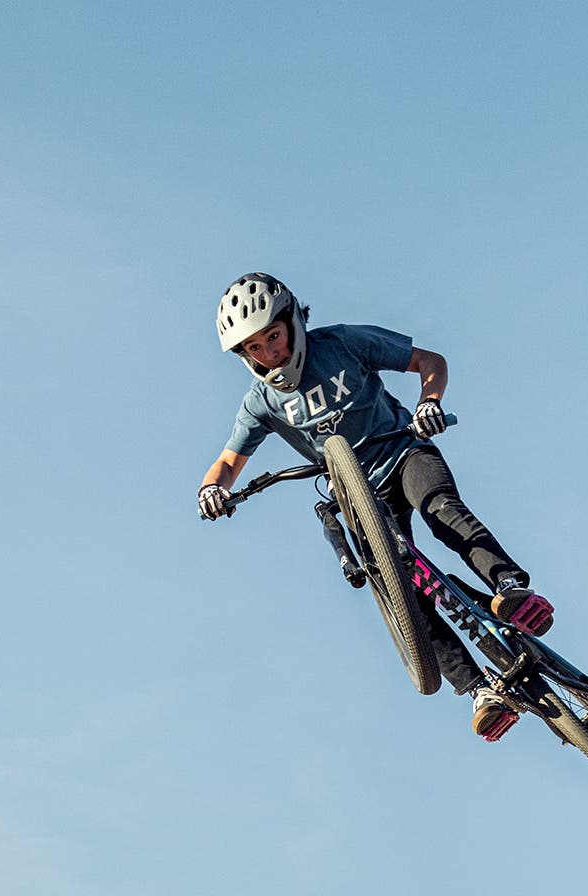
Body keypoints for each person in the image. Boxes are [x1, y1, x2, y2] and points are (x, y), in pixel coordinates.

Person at [196, 273, 552, 742]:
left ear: (291, 323)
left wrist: (429, 402)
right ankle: (478, 691)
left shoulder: (343, 343)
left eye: (274, 337)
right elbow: (227, 461)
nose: (270, 354)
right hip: (360, 494)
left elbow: (429, 360)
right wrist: (213, 490)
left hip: (404, 452)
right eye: (255, 349)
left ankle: (508, 588)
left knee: (439, 507)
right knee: (395, 578)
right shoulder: (261, 402)